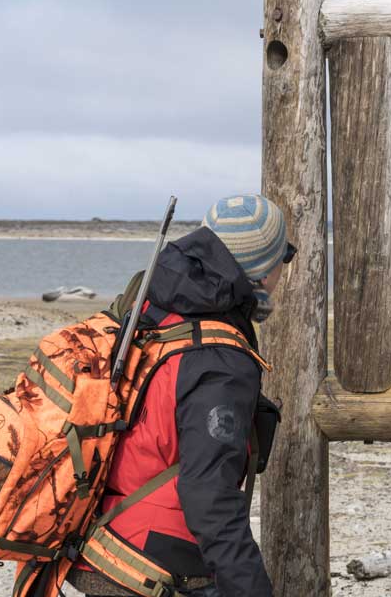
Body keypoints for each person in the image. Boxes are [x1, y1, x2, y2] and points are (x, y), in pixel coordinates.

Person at [68, 194, 294, 597]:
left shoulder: (154, 305)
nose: (284, 269)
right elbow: (210, 497)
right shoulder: (220, 359)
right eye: (284, 257)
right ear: (262, 271)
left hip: (100, 534)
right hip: (151, 564)